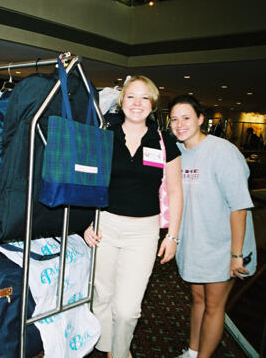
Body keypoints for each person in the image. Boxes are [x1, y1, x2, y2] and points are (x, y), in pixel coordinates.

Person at [83, 76, 183, 358]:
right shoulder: (104, 134)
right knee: (101, 296)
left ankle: (121, 349)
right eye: (131, 97)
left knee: (127, 309)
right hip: (105, 225)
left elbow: (175, 192)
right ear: (121, 100)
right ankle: (108, 350)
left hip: (144, 232)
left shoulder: (164, 141)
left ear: (152, 104)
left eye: (144, 98)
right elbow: (87, 182)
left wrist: (173, 236)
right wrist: (85, 223)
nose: (137, 103)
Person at [169, 95, 257, 358]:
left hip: (224, 246)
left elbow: (239, 206)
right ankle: (193, 351)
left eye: (186, 117)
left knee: (213, 306)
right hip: (196, 243)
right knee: (198, 300)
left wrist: (236, 255)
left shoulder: (223, 151)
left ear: (200, 119)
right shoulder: (178, 152)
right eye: (174, 119)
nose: (180, 124)